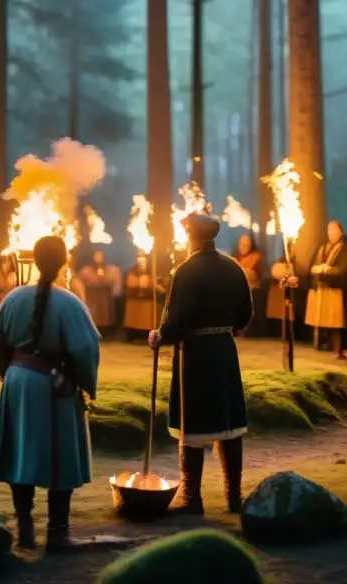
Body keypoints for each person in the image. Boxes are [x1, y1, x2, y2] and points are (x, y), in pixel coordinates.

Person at [0, 236, 102, 551]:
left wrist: (9, 373)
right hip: (55, 386)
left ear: (34, 262)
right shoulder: (70, 302)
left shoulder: (13, 298)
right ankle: (58, 531)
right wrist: (85, 383)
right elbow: (85, 348)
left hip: (18, 383)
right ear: (64, 262)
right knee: (60, 454)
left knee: (20, 452)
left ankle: (24, 526)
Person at [148, 213, 253, 515]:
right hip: (224, 349)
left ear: (191, 237)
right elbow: (246, 314)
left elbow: (177, 318)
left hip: (195, 354)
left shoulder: (186, 271)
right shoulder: (233, 267)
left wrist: (160, 336)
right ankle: (234, 497)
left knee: (191, 422)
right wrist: (226, 327)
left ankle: (192, 498)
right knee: (229, 423)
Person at [304, 221, 347, 358]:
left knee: (336, 321)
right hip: (322, 288)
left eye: (334, 230)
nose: (331, 233)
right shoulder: (323, 247)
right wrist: (318, 269)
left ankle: (338, 349)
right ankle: (321, 344)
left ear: (341, 232)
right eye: (329, 230)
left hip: (337, 289)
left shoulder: (346, 248)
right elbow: (313, 264)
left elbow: (344, 268)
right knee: (321, 320)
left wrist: (328, 270)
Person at [78, 249, 122, 332]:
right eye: (97, 256)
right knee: (94, 314)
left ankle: (106, 331)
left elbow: (113, 282)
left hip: (105, 297)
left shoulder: (110, 269)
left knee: (105, 315)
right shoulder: (87, 270)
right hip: (92, 296)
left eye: (100, 256)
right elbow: (81, 282)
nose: (99, 258)